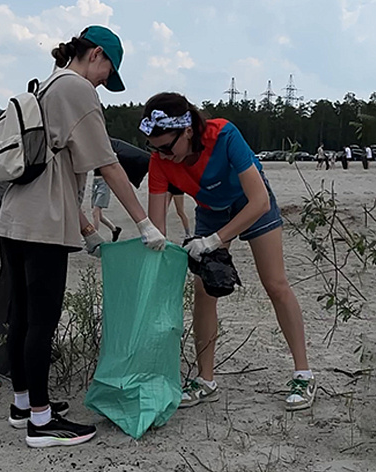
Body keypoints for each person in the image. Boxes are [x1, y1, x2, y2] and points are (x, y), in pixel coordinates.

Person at [0, 25, 165, 448]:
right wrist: (144, 223)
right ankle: (41, 422)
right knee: (42, 319)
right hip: (44, 224)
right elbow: (108, 163)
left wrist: (88, 230)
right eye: (110, 69)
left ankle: (23, 403)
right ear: (95, 56)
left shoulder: (47, 82)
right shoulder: (78, 90)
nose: (107, 81)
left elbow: (65, 168)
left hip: (14, 217)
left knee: (20, 314)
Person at [139, 92, 315, 412]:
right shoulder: (160, 161)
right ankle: (206, 380)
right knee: (203, 290)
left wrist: (212, 241)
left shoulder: (224, 134)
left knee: (275, 284)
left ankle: (303, 373)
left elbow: (259, 201)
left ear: (188, 130)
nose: (162, 155)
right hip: (211, 208)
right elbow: (157, 227)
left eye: (167, 147)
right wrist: (156, 248)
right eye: (155, 149)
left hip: (250, 202)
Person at [91, 168, 122, 241]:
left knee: (95, 212)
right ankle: (114, 229)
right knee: (99, 215)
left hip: (103, 182)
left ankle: (94, 237)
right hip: (95, 182)